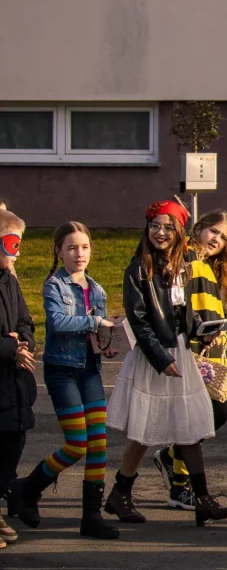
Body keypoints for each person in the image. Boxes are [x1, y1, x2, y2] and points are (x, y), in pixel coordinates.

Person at [104, 200, 227, 527]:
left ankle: (202, 499)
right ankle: (120, 493)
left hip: (179, 352)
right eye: (155, 226)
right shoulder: (137, 270)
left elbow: (180, 314)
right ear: (146, 229)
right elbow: (139, 320)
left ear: (179, 233)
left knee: (188, 425)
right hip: (155, 356)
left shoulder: (182, 267)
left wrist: (203, 333)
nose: (160, 233)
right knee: (145, 430)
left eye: (168, 227)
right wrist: (161, 360)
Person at [8, 223, 119, 540]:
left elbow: (98, 332)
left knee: (98, 443)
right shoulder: (54, 285)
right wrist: (96, 321)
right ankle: (27, 489)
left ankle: (91, 516)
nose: (79, 254)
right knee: (76, 444)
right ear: (58, 251)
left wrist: (107, 342)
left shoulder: (96, 289)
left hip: (89, 371)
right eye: (71, 248)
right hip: (62, 371)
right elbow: (57, 321)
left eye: (84, 247)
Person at [152, 210, 227, 512]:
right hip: (188, 351)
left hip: (209, 353)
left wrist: (224, 321)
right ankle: (179, 485)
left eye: (223, 236)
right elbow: (179, 302)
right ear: (199, 228)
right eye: (213, 231)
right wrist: (202, 327)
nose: (217, 239)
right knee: (208, 414)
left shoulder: (210, 267)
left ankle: (172, 465)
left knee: (207, 416)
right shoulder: (187, 257)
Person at [0, 210, 37, 549]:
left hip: (12, 384)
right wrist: (10, 346)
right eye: (12, 244)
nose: (18, 252)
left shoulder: (10, 281)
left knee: (13, 444)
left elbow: (25, 320)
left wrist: (24, 342)